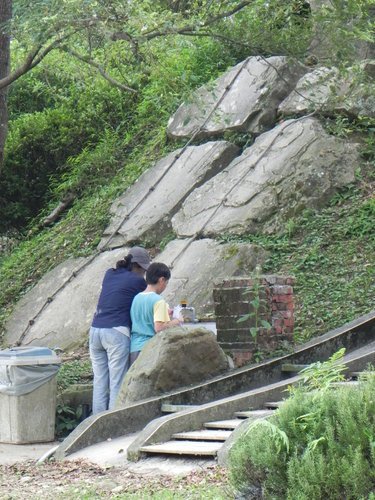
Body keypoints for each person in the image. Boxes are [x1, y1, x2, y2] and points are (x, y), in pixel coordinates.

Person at [89, 246, 151, 414]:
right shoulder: (138, 281)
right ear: (137, 266)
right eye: (143, 270)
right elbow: (146, 303)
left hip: (95, 330)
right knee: (117, 382)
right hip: (116, 332)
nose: (144, 274)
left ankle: (95, 426)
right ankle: (113, 423)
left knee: (100, 381)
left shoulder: (109, 273)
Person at [130, 262, 181, 365]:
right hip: (149, 349)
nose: (165, 286)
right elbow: (159, 327)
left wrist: (165, 313)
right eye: (166, 282)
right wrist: (177, 321)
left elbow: (143, 317)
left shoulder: (136, 298)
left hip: (134, 348)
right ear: (161, 280)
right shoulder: (158, 300)